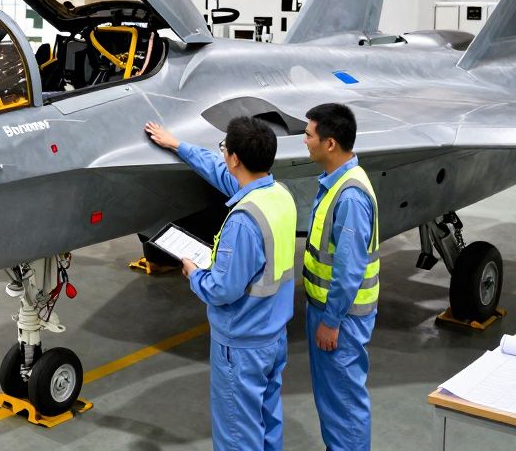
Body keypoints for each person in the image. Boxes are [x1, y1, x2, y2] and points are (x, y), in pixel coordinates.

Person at [145, 117, 296, 451]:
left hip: (241, 344)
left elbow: (222, 290)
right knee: (267, 422)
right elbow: (220, 172)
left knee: (237, 436)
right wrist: (178, 146)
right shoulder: (278, 196)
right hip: (272, 335)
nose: (223, 156)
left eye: (224, 149)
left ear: (236, 159)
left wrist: (194, 272)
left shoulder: (243, 221)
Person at [302, 102, 380, 451]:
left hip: (342, 319)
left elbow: (349, 270)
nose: (305, 141)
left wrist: (331, 320)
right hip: (330, 311)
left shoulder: (349, 196)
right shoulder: (339, 181)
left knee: (344, 408)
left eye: (308, 135)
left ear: (329, 143)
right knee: (334, 404)